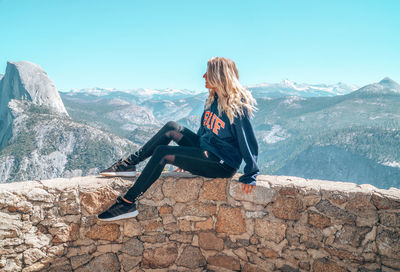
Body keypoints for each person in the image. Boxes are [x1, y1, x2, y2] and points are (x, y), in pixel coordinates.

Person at [98, 57, 259, 221]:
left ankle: (127, 202)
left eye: (207, 73)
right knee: (172, 127)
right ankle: (128, 164)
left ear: (219, 76)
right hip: (205, 151)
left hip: (221, 164)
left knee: (163, 153)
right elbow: (203, 132)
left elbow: (248, 141)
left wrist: (251, 174)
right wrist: (188, 157)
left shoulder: (236, 105)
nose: (203, 76)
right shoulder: (213, 100)